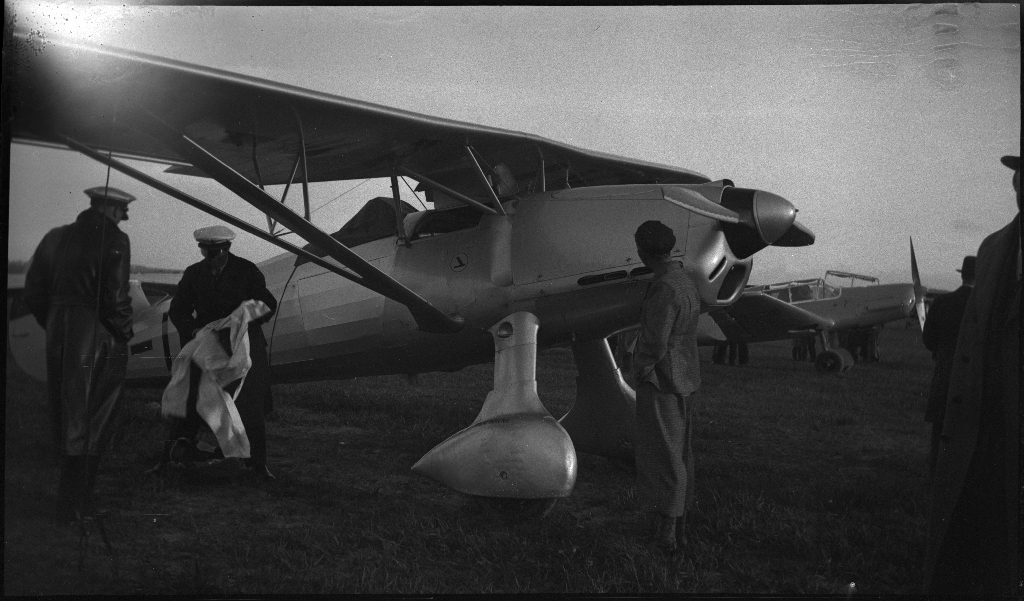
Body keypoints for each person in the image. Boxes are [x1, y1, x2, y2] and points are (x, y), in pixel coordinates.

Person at [923, 155, 1020, 595]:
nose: (1018, 181)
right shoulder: (996, 246)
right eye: (1018, 173)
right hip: (978, 423)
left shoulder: (944, 303)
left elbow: (930, 342)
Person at [23, 186, 135, 523]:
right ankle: (78, 503)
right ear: (114, 210)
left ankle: (68, 502)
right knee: (95, 416)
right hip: (98, 332)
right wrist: (124, 333)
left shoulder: (54, 236)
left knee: (68, 411)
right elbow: (115, 297)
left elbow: (33, 291)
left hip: (60, 330)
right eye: (121, 212)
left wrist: (56, 322)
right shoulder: (116, 239)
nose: (122, 217)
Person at [163, 225, 278, 480]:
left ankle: (258, 465)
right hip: (210, 346)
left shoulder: (247, 271)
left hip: (245, 345)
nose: (211, 258)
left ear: (227, 249)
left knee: (251, 405)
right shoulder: (194, 274)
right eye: (207, 252)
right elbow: (178, 309)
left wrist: (244, 320)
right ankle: (183, 453)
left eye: (216, 253)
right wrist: (193, 331)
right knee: (197, 398)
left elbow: (269, 303)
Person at [630, 220, 701, 555]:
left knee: (663, 455)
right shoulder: (684, 282)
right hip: (685, 375)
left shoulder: (663, 287)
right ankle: (679, 526)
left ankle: (668, 534)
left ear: (645, 254)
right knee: (680, 453)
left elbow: (655, 341)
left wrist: (640, 369)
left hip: (661, 379)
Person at [921, 255, 975, 475]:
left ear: (961, 275)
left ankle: (937, 469)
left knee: (941, 423)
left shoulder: (942, 302)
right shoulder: (984, 305)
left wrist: (941, 352)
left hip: (945, 368)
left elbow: (928, 338)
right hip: (973, 373)